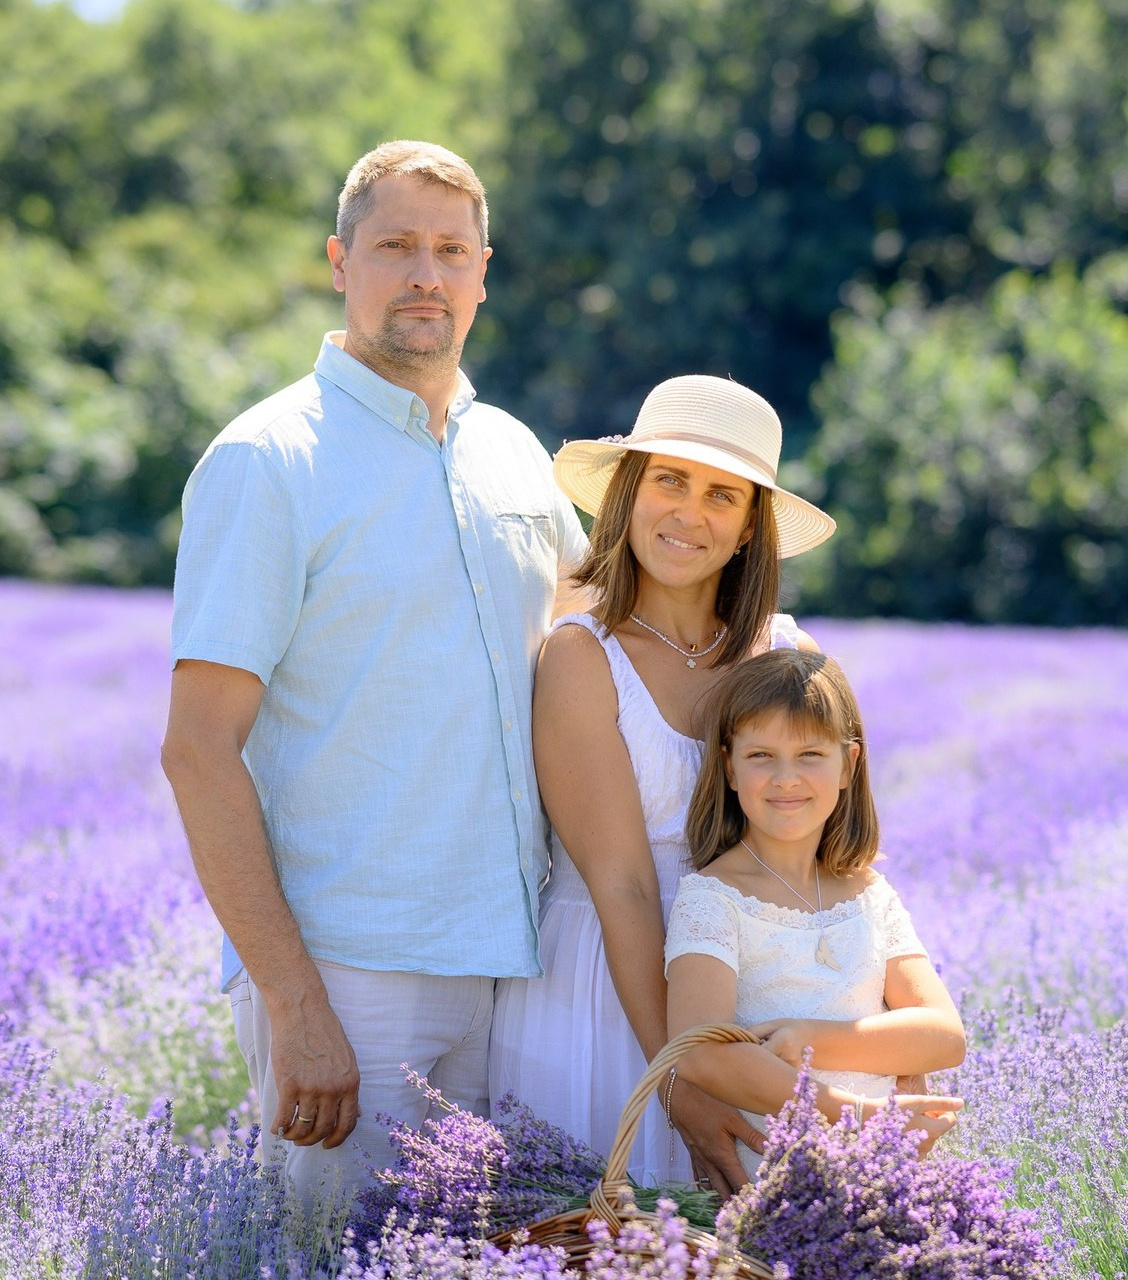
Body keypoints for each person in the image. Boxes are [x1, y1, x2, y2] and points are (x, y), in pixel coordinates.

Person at [160, 140, 587, 1206]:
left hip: (518, 963)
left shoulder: (515, 455)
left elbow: (607, 632)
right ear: (339, 261)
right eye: (395, 245)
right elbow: (197, 750)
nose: (425, 275)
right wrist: (297, 1003)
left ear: (485, 272)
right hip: (350, 974)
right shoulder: (269, 461)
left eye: (451, 250)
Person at [489, 374, 838, 1194]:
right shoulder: (582, 655)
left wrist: (893, 1031)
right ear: (629, 494)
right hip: (608, 995)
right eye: (668, 480)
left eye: (723, 495)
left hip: (760, 987)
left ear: (752, 526)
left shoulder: (787, 655)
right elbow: (624, 886)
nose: (689, 514)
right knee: (611, 1232)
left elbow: (846, 861)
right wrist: (678, 1078)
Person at [665, 648, 966, 1176]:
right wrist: (862, 1117)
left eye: (810, 755)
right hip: (775, 1172)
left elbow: (944, 1037)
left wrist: (805, 1038)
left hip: (882, 1170)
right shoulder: (713, 898)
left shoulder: (870, 894)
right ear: (729, 767)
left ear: (848, 765)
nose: (786, 778)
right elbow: (701, 1053)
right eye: (761, 756)